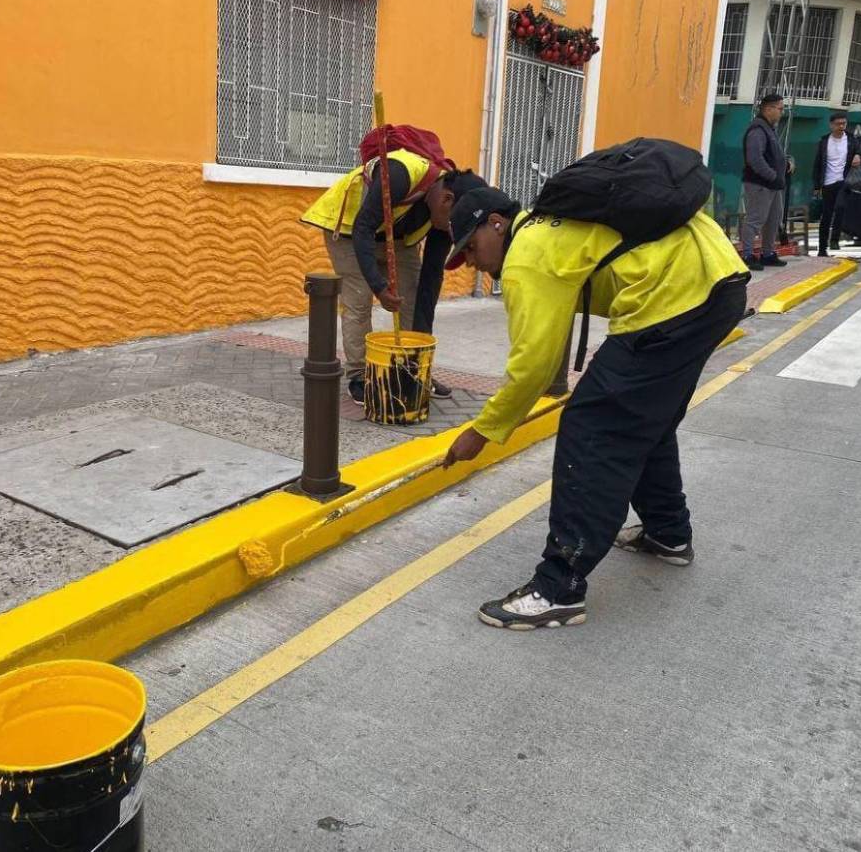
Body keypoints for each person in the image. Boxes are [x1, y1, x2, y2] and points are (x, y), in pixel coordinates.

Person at [441, 183, 749, 630]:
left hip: (676, 296)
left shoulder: (526, 252)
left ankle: (558, 587)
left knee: (592, 426)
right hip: (716, 280)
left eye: (470, 247)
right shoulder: (549, 229)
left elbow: (532, 368)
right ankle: (667, 533)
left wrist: (481, 432)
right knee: (646, 418)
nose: (472, 261)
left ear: (496, 222)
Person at [301, 153, 485, 403]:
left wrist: (422, 356)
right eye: (455, 221)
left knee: (413, 292)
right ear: (446, 199)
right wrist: (379, 287)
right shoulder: (399, 174)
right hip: (347, 231)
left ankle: (413, 369)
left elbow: (429, 283)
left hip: (395, 239)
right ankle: (359, 375)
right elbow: (363, 228)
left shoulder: (446, 219)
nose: (454, 228)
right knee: (359, 298)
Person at [741, 93, 792, 270]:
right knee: (755, 219)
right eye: (780, 108)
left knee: (773, 219)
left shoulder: (769, 129)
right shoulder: (757, 129)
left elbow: (774, 155)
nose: (782, 112)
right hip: (760, 184)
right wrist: (773, 175)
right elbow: (755, 159)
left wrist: (785, 164)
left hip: (773, 185)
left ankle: (767, 254)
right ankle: (747, 255)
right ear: (768, 109)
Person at [811, 111, 861, 256]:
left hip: (844, 181)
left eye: (844, 124)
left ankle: (834, 240)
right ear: (831, 125)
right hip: (827, 182)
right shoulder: (824, 141)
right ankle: (822, 248)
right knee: (826, 215)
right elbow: (817, 165)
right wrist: (816, 186)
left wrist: (858, 155)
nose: (841, 126)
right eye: (838, 124)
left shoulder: (851, 139)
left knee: (840, 208)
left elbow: (859, 151)